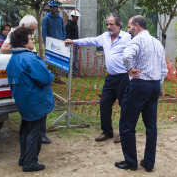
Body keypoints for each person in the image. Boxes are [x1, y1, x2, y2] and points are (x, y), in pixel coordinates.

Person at [64, 14, 131, 143]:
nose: (109, 27)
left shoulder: (128, 38)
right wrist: (73, 41)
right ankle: (107, 131)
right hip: (110, 78)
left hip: (124, 77)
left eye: (111, 24)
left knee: (125, 106)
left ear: (119, 25)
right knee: (104, 103)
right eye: (107, 24)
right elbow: (90, 40)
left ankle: (124, 133)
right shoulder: (105, 37)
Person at [115, 15, 167, 172]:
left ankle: (131, 162)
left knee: (126, 124)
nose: (128, 30)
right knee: (151, 126)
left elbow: (126, 56)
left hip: (139, 86)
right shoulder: (158, 43)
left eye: (129, 27)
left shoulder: (137, 40)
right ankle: (149, 163)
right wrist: (159, 84)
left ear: (136, 26)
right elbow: (164, 69)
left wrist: (129, 69)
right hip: (154, 87)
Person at [6, 27, 55, 172]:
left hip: (23, 101)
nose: (33, 41)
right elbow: (45, 78)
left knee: (26, 131)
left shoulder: (13, 58)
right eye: (31, 38)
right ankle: (30, 163)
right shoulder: (30, 58)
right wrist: (49, 73)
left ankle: (24, 158)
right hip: (36, 101)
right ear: (23, 41)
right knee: (36, 132)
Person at [0, 15, 52, 145]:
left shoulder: (26, 41)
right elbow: (3, 49)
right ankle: (31, 158)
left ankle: (37, 140)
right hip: (28, 75)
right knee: (34, 120)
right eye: (32, 30)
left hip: (29, 72)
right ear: (23, 27)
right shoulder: (16, 34)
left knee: (31, 120)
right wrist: (23, 51)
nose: (33, 34)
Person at [42, 1, 66, 84]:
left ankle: (57, 78)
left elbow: (63, 30)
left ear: (57, 8)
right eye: (51, 7)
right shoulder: (46, 19)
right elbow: (44, 33)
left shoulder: (60, 19)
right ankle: (51, 79)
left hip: (59, 44)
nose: (52, 9)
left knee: (59, 61)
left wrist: (63, 41)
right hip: (50, 45)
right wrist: (46, 44)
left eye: (54, 7)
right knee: (51, 62)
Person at [65, 9, 82, 78]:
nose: (77, 18)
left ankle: (75, 73)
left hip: (75, 44)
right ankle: (68, 73)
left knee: (75, 59)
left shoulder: (75, 24)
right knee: (69, 59)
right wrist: (70, 44)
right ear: (72, 16)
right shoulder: (69, 25)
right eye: (76, 16)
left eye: (78, 16)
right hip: (70, 45)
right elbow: (68, 36)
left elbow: (76, 35)